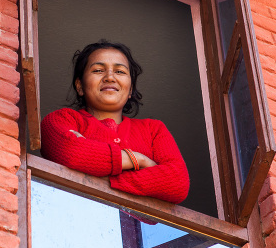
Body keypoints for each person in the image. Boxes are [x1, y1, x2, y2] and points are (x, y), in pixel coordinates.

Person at [40, 40, 190, 204]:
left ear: (130, 89)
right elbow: (72, 153)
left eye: (120, 71)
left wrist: (100, 172)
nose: (110, 77)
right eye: (98, 70)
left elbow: (178, 183)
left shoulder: (153, 130)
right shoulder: (62, 119)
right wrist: (139, 160)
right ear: (80, 86)